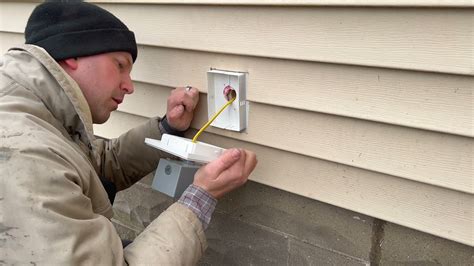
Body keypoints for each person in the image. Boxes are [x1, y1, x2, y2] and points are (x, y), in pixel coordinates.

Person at [0, 1, 257, 265]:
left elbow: (94, 165)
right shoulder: (24, 154)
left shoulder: (33, 112)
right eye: (120, 65)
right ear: (72, 55)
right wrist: (200, 198)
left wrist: (168, 128)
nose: (130, 86)